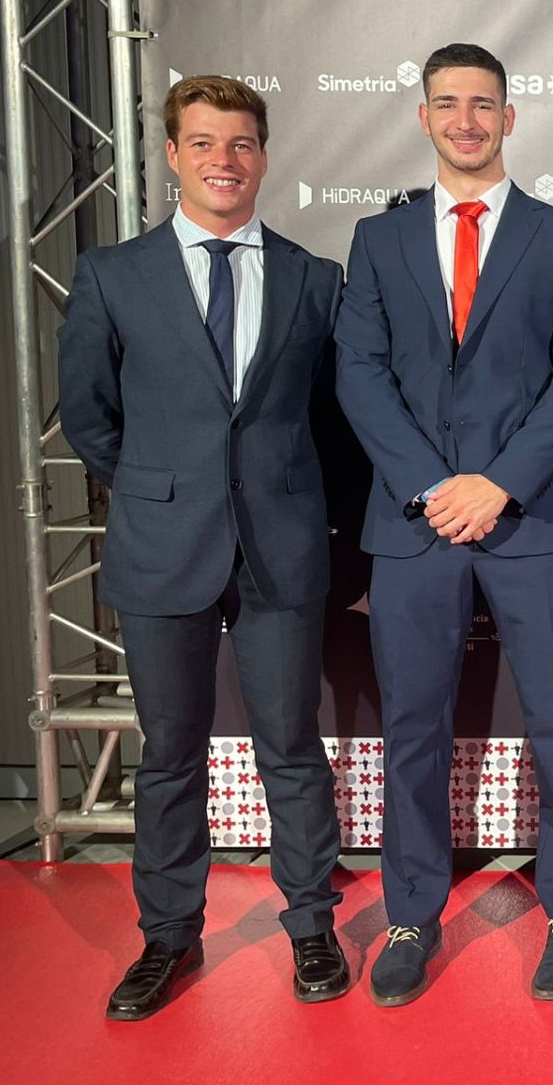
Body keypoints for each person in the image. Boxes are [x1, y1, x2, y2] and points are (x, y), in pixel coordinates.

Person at [59, 76, 347, 1019]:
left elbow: (334, 424)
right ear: (173, 156)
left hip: (282, 546)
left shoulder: (315, 278)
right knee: (172, 754)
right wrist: (160, 480)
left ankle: (312, 928)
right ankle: (167, 939)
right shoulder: (112, 273)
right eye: (204, 143)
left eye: (242, 143)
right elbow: (91, 417)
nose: (225, 159)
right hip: (161, 545)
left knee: (291, 748)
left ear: (263, 156)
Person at [335, 43, 553, 1006]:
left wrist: (498, 484)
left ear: (509, 116)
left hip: (534, 518)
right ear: (422, 117)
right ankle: (410, 912)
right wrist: (430, 486)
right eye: (447, 103)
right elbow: (358, 375)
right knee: (412, 727)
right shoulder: (379, 242)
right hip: (413, 524)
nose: (465, 120)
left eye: (482, 104)